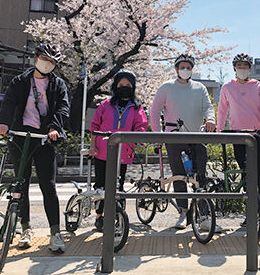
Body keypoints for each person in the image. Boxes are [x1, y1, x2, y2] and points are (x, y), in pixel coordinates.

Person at [0, 43, 69, 252]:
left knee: (48, 185)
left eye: (52, 62)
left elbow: (63, 108)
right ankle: (26, 228)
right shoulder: (20, 81)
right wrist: (3, 122)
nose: (47, 64)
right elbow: (9, 103)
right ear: (36, 58)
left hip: (45, 137)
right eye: (45, 59)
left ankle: (55, 233)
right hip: (21, 136)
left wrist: (55, 127)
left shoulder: (58, 85)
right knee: (21, 184)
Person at [150, 54, 216, 229]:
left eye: (188, 67)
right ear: (176, 69)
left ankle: (204, 216)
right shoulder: (166, 88)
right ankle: (183, 213)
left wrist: (210, 119)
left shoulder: (199, 88)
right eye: (182, 67)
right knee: (179, 176)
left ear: (192, 69)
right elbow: (154, 112)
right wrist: (158, 135)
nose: (185, 70)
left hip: (197, 136)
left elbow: (208, 107)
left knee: (200, 177)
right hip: (174, 138)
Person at [216, 53, 260, 235]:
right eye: (239, 66)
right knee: (246, 177)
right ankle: (251, 213)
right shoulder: (227, 87)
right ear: (234, 67)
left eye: (245, 66)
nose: (242, 69)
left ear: (250, 68)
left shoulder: (259, 87)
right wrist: (219, 131)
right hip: (238, 137)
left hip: (257, 136)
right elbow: (222, 110)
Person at [89, 70, 148, 231]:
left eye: (128, 85)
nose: (124, 88)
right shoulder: (105, 105)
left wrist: (139, 139)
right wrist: (92, 145)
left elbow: (140, 126)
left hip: (123, 153)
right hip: (102, 151)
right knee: (101, 186)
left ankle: (117, 215)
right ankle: (99, 216)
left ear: (133, 87)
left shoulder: (136, 107)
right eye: (121, 85)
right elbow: (94, 125)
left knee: (118, 186)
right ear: (115, 86)